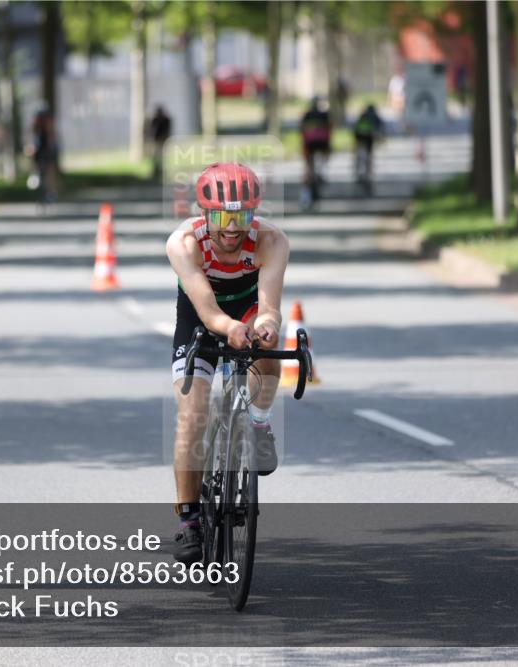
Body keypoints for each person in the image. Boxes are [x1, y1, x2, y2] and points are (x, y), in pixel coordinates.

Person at [166, 162, 289, 564]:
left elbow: (270, 307)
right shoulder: (183, 243)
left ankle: (257, 422)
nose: (233, 227)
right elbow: (206, 308)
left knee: (271, 352)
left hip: (248, 308)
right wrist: (227, 326)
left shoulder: (271, 241)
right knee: (192, 416)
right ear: (205, 214)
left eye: (242, 216)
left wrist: (266, 326)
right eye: (222, 217)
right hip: (203, 317)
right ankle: (189, 521)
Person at [299, 96, 332, 206]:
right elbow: (330, 129)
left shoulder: (307, 115)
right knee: (325, 156)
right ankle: (323, 171)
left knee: (308, 168)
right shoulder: (325, 115)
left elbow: (301, 129)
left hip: (309, 144)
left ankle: (305, 195)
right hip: (322, 144)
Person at [31, 103, 59, 202]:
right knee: (37, 164)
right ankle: (35, 176)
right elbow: (32, 140)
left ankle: (52, 191)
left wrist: (51, 148)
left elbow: (52, 138)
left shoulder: (49, 125)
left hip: (48, 149)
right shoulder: (35, 126)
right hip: (39, 150)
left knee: (50, 170)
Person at [353, 103, 384, 184]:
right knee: (369, 155)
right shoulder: (375, 116)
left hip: (359, 136)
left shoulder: (362, 115)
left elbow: (355, 127)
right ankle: (368, 172)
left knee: (358, 153)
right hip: (369, 137)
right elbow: (380, 127)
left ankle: (357, 168)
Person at [148, 105, 172, 181]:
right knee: (155, 157)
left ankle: (162, 171)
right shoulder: (155, 120)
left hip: (162, 140)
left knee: (162, 157)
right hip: (156, 140)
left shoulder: (165, 120)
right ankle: (156, 170)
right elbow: (152, 130)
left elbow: (167, 130)